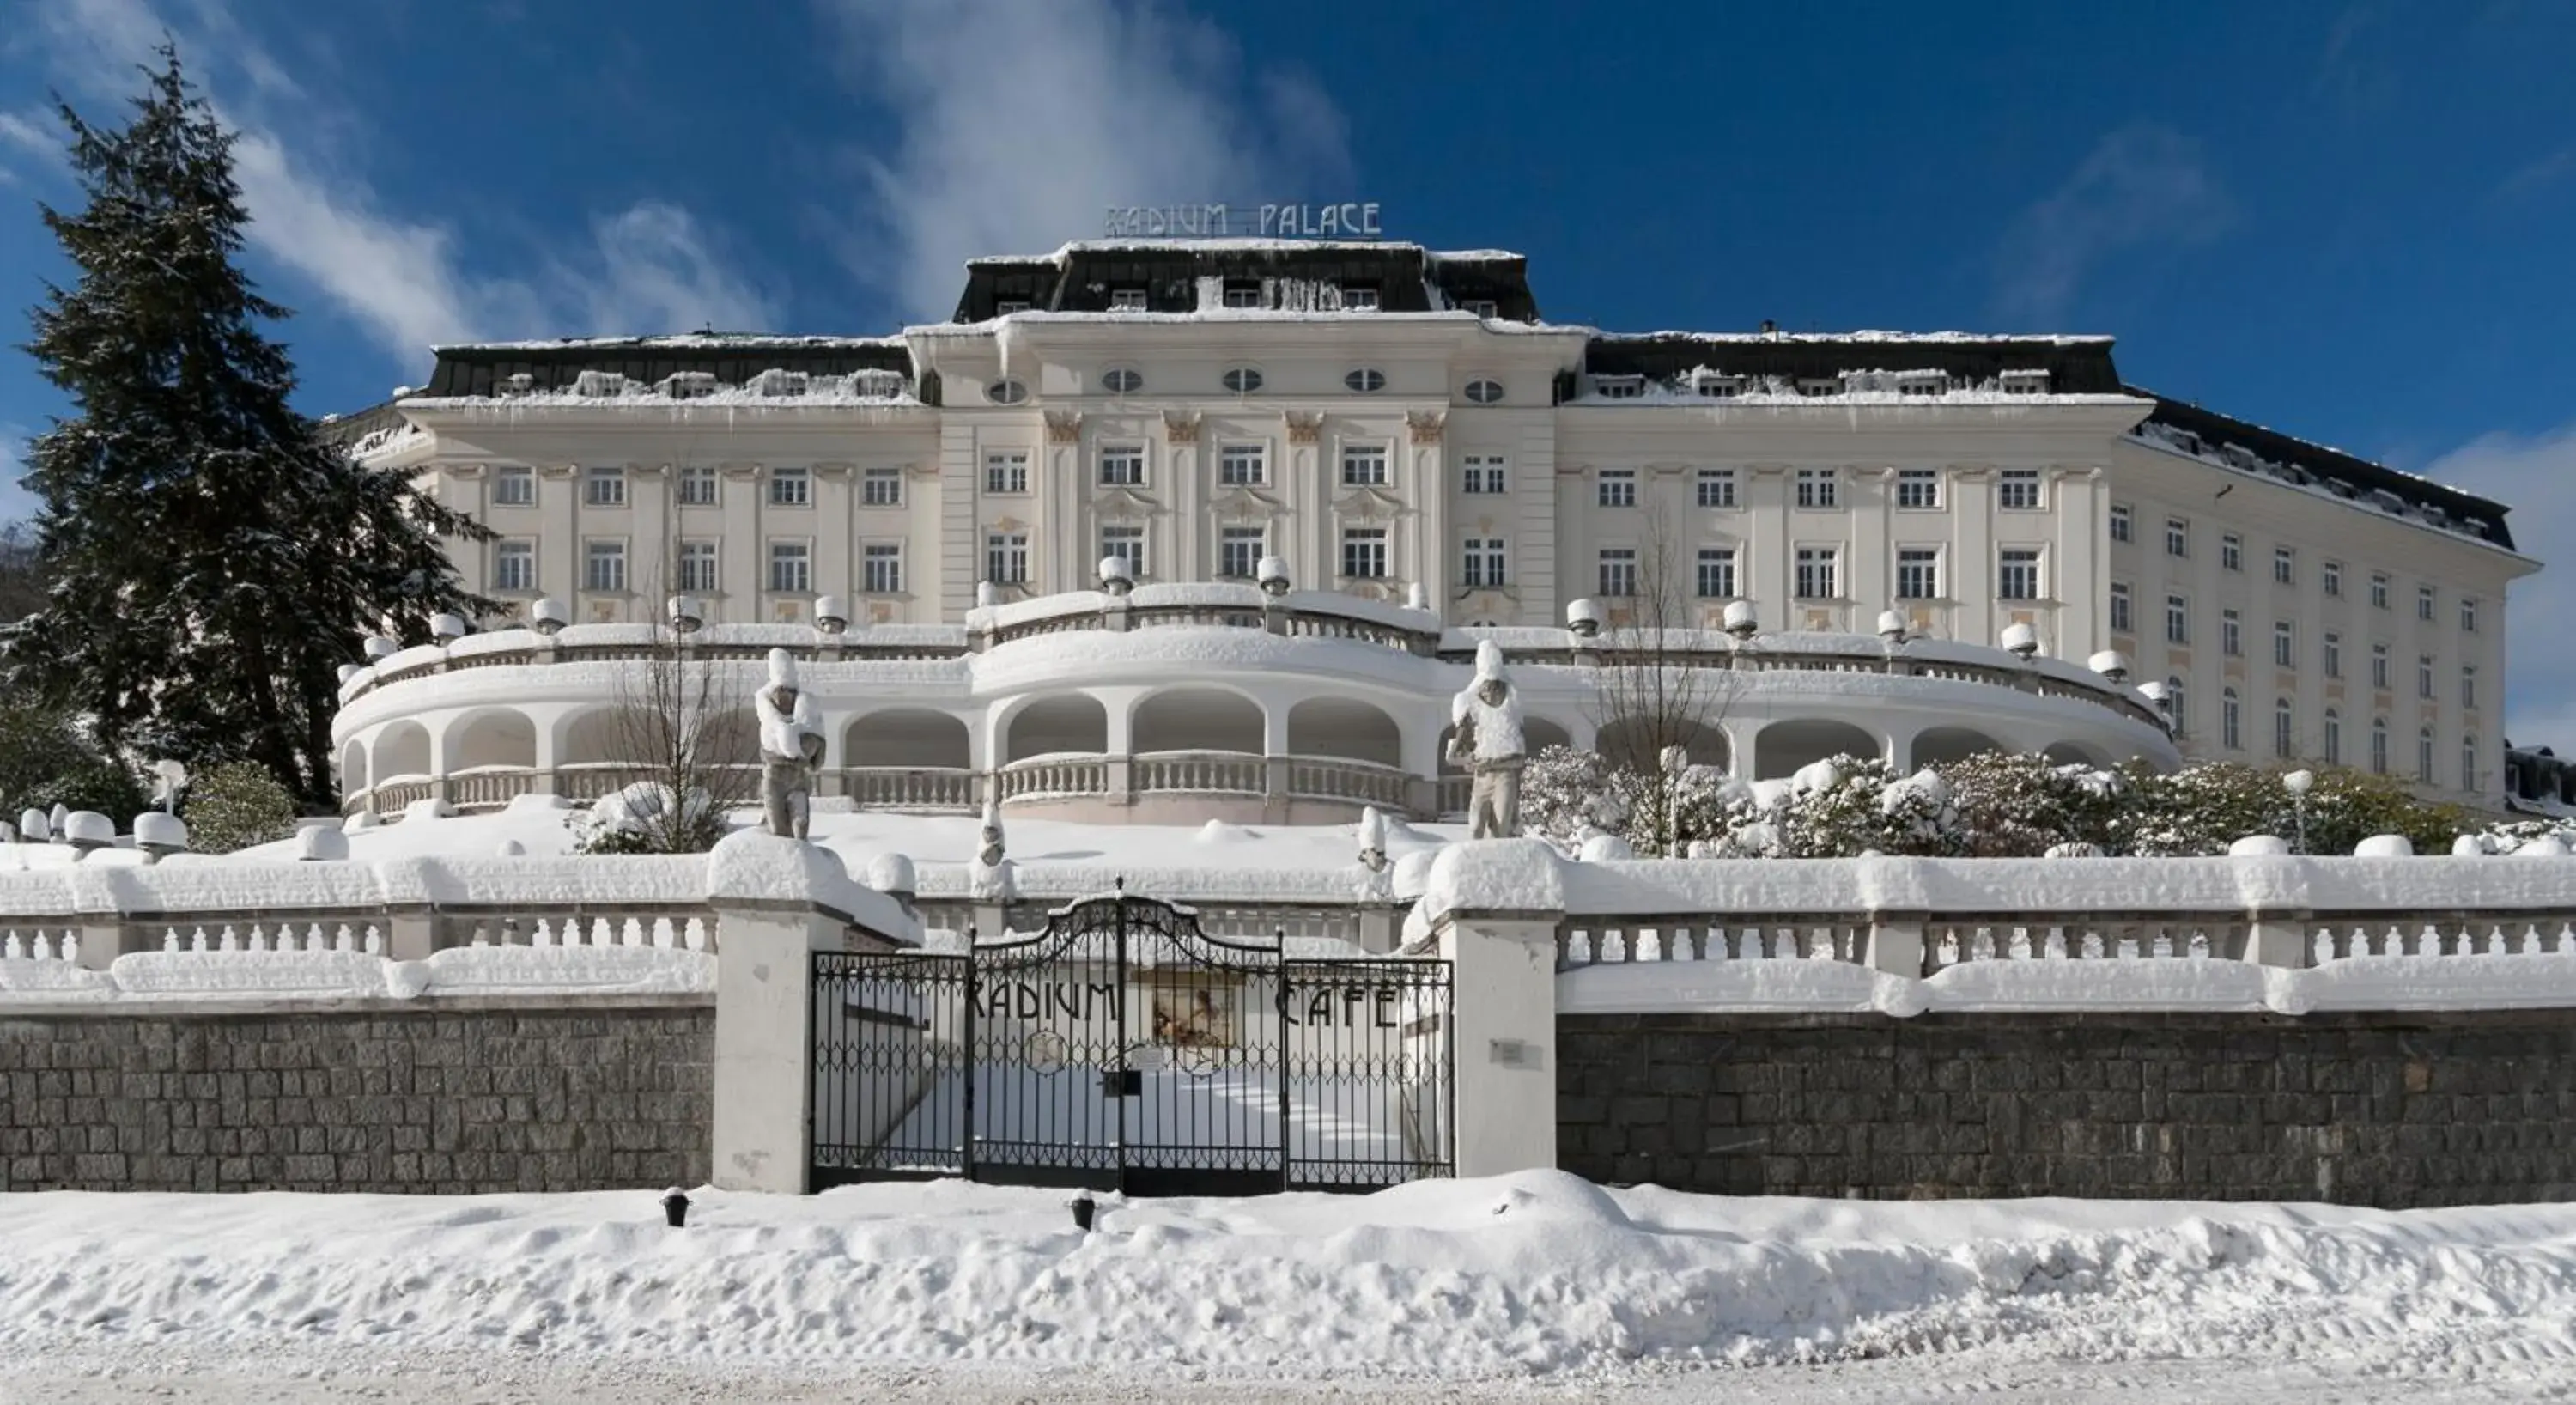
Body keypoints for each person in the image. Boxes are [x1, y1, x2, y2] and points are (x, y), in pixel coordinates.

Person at [1449, 640, 1527, 839]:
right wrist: (1468, 759)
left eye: (1496, 688)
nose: (1491, 692)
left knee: (1501, 826)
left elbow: (1520, 755)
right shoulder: (1471, 707)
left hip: (1504, 776)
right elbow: (1453, 756)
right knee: (1475, 827)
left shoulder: (1512, 707)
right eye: (1487, 688)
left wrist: (1497, 762)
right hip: (1482, 777)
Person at [755, 648, 823, 840]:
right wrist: (790, 740)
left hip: (798, 779)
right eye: (781, 691)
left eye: (790, 691)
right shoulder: (769, 718)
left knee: (800, 826)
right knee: (778, 829)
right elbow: (773, 747)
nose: (786, 697)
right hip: (774, 778)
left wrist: (803, 745)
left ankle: (799, 856)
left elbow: (815, 747)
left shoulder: (806, 711)